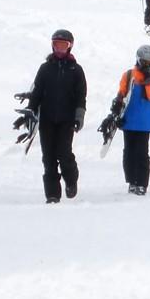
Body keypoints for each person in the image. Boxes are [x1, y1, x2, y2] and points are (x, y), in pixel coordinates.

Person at [23, 27, 86, 203]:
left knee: (64, 153)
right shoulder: (45, 69)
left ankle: (71, 180)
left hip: (66, 120)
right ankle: (52, 194)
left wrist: (79, 116)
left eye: (62, 45)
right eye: (56, 45)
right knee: (48, 157)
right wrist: (31, 111)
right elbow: (36, 93)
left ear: (69, 47)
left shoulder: (76, 70)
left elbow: (81, 96)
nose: (59, 49)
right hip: (47, 120)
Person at [115, 43, 150, 195]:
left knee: (141, 152)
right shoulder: (129, 75)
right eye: (145, 62)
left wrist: (148, 79)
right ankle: (131, 181)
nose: (148, 65)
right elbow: (121, 94)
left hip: (144, 122)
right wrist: (116, 110)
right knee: (129, 151)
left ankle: (141, 183)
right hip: (129, 120)